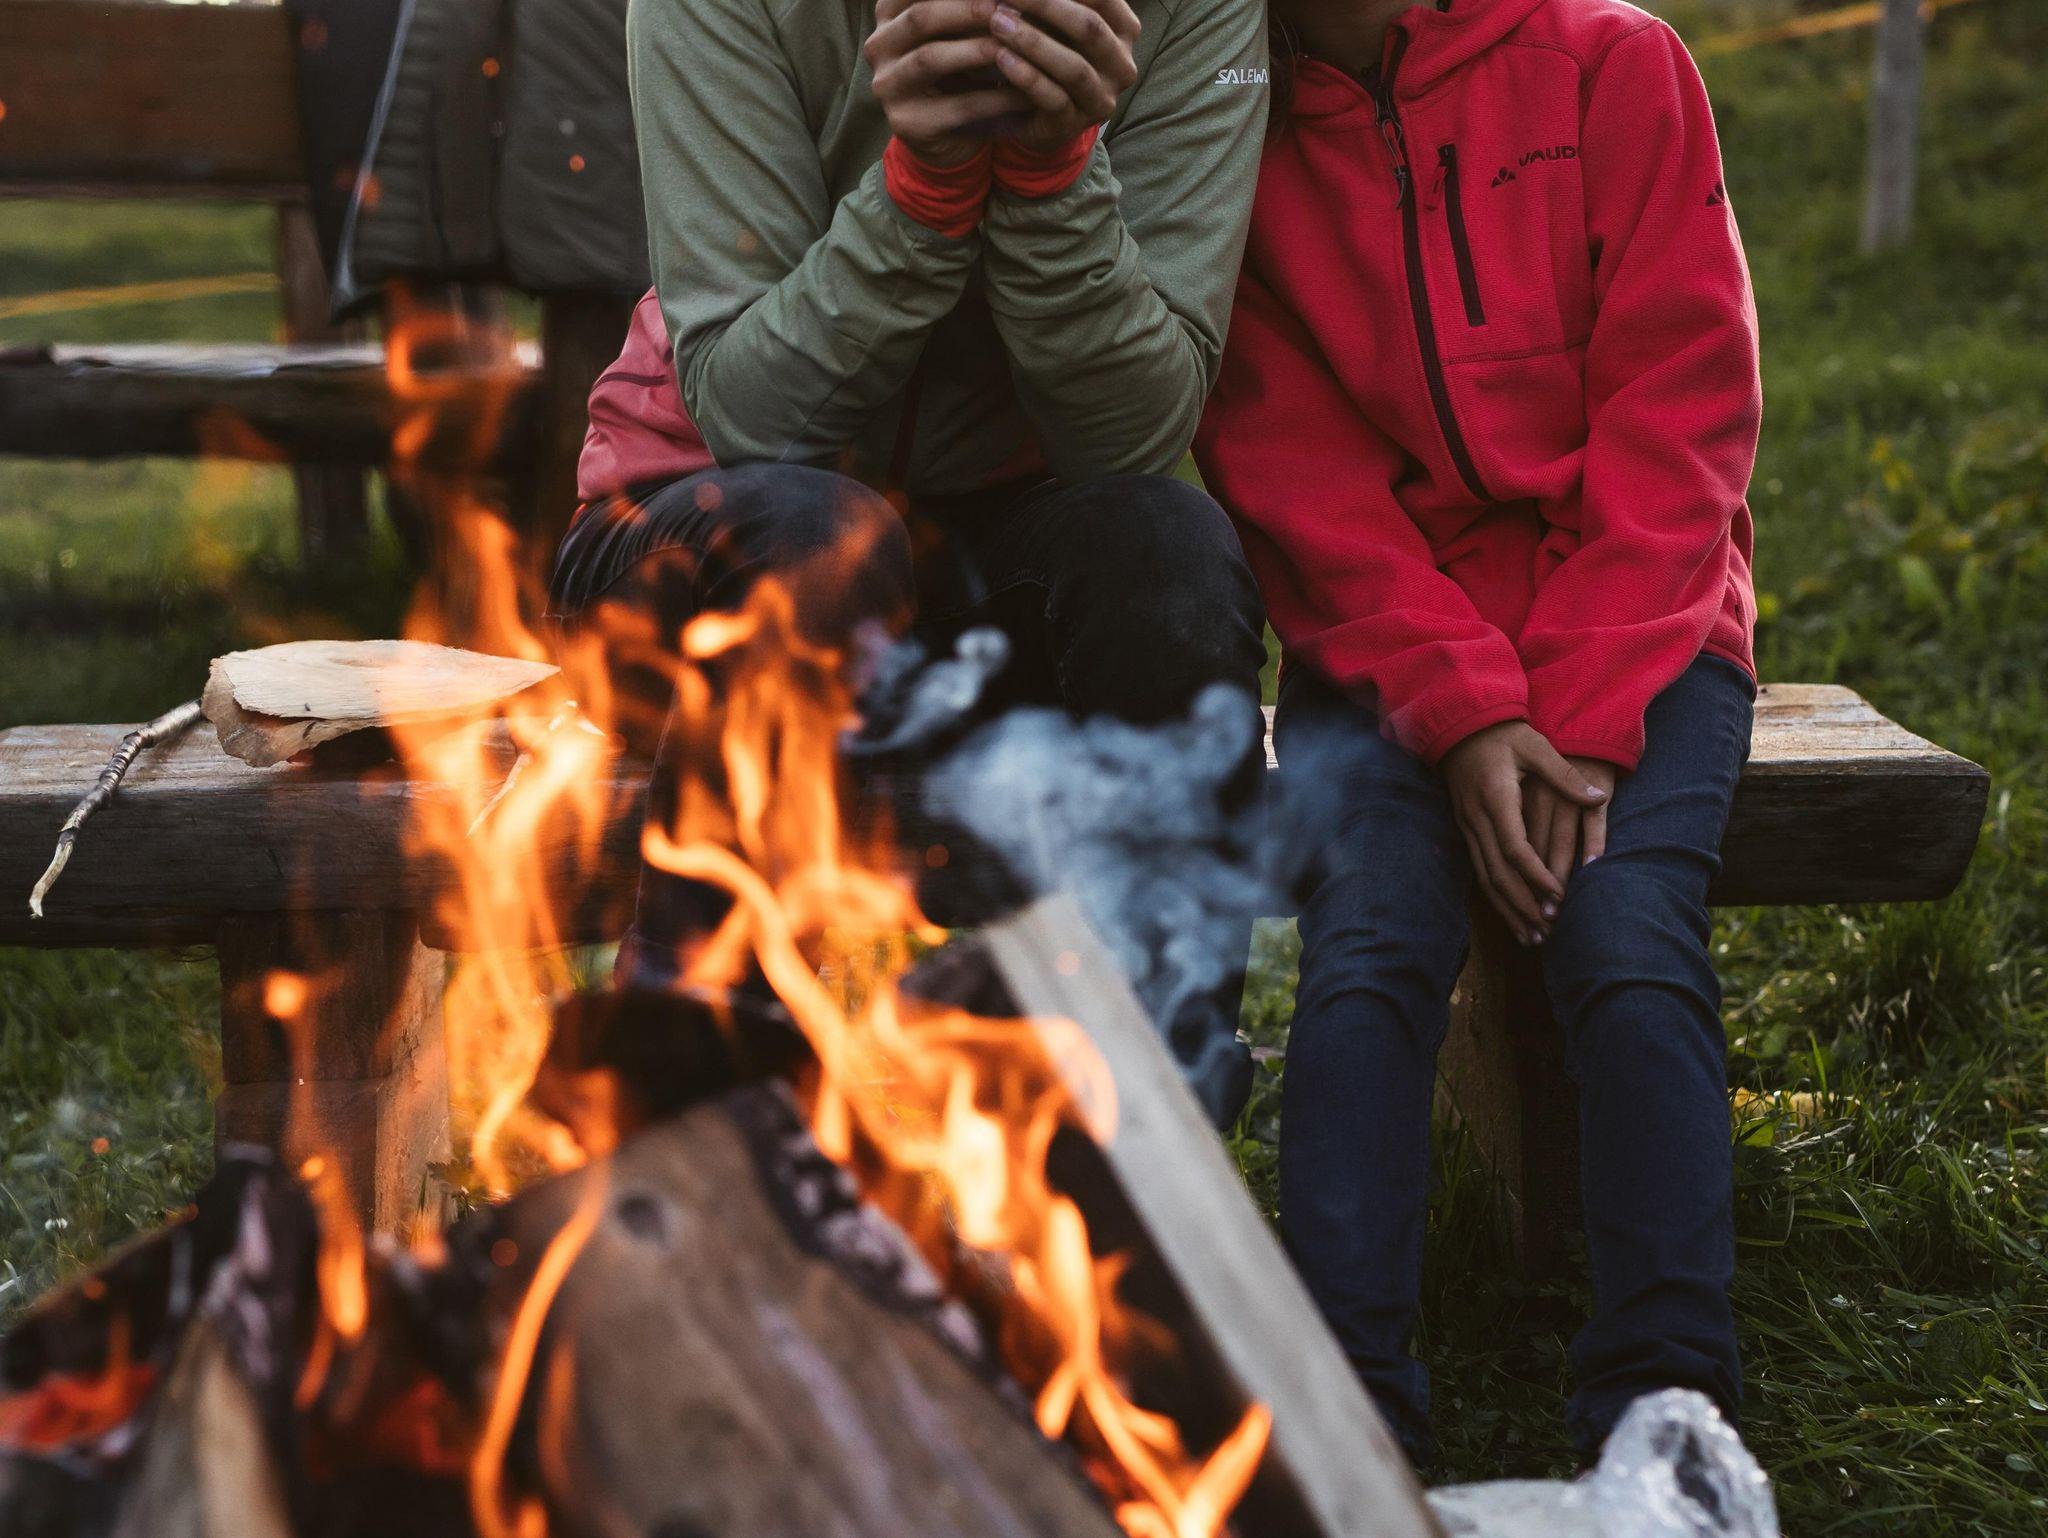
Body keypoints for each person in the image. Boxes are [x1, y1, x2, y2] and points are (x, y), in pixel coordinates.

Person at [1194, 0, 1761, 1464]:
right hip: (1381, 644)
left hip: (1639, 631)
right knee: (1367, 949)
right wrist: (1459, 713)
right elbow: (1289, 469)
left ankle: (1668, 1410)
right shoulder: (1231, 129)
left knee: (1626, 935)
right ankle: (1345, 1419)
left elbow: (1682, 408)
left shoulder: (1612, 65)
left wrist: (1572, 711)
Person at [547, 0, 1273, 1120]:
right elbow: (752, 413)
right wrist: (921, 193)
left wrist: (1050, 175)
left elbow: (1133, 435)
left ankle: (1138, 1148)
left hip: (993, 550)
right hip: (704, 531)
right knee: (817, 542)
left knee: (1167, 552)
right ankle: (696, 1124)